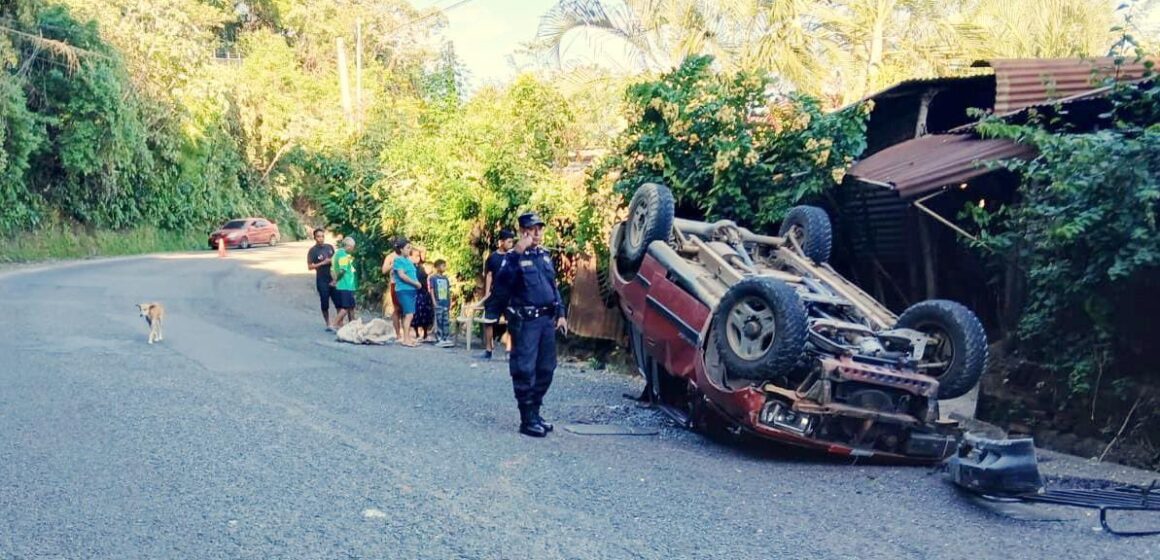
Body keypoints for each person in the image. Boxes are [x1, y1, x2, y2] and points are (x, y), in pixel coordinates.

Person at [493, 212, 567, 438]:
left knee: (546, 368)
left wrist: (561, 313)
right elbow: (502, 283)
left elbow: (553, 287)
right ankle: (527, 419)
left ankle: (535, 412)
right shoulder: (512, 257)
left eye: (539, 228)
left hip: (546, 321)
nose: (537, 233)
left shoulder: (544, 256)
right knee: (525, 369)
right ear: (522, 231)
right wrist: (517, 252)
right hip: (526, 321)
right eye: (532, 229)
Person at [477, 229, 515, 360]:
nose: (511, 244)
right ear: (501, 242)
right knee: (489, 322)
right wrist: (487, 293)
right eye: (509, 241)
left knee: (511, 322)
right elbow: (489, 275)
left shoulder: (514, 256)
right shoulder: (493, 258)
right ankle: (488, 349)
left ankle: (509, 350)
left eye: (512, 242)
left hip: (510, 295)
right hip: (496, 294)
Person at [391, 238, 423, 347]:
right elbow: (402, 275)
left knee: (409, 314)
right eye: (407, 248)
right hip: (403, 290)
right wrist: (415, 283)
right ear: (401, 249)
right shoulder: (398, 260)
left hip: (411, 290)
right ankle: (405, 339)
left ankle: (408, 337)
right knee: (409, 314)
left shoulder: (409, 261)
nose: (409, 250)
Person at [306, 228, 337, 330]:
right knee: (324, 302)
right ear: (314, 238)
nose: (321, 239)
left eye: (322, 236)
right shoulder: (312, 251)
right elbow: (310, 267)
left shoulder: (329, 247)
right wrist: (322, 263)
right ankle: (328, 322)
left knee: (338, 301)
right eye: (318, 236)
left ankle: (338, 322)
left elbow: (336, 260)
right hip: (321, 279)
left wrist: (332, 261)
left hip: (332, 278)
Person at [330, 236, 358, 329]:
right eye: (353, 247)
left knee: (351, 307)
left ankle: (352, 325)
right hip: (345, 285)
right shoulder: (343, 255)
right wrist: (336, 280)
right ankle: (334, 324)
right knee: (345, 308)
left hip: (347, 285)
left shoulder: (338, 253)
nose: (353, 249)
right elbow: (342, 270)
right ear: (349, 246)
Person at [381, 240, 404, 338]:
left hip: (406, 285)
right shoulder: (390, 257)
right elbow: (384, 270)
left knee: (405, 309)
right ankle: (398, 333)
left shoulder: (406, 255)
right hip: (395, 284)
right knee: (396, 309)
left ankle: (405, 332)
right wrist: (392, 265)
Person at [429, 259, 454, 348]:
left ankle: (445, 337)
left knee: (446, 320)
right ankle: (439, 338)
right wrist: (434, 301)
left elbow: (448, 291)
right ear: (438, 267)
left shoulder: (446, 278)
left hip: (445, 302)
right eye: (443, 266)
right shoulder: (433, 278)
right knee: (438, 320)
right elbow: (431, 290)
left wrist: (449, 301)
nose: (445, 267)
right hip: (438, 302)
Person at [411, 251, 435, 342]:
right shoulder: (410, 267)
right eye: (416, 256)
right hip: (415, 292)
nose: (418, 258)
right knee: (415, 312)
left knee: (425, 312)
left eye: (418, 256)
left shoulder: (422, 267)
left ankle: (425, 332)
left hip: (424, 293)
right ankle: (416, 332)